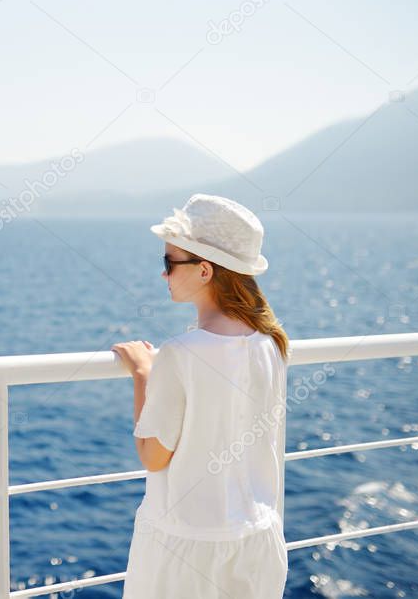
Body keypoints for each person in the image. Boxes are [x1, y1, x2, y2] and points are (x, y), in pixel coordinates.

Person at [112, 193, 290, 599]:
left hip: (188, 550)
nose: (164, 275)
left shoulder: (180, 353)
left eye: (169, 263)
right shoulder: (271, 344)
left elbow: (154, 456)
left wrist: (144, 374)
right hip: (257, 539)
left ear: (205, 270)